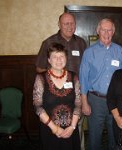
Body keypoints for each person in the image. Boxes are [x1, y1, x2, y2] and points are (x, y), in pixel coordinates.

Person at [35, 12, 87, 150]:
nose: (69, 26)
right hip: (51, 100)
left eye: (72, 23)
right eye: (66, 23)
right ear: (59, 25)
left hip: (74, 97)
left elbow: (86, 70)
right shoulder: (48, 42)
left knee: (76, 133)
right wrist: (52, 80)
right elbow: (40, 67)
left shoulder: (81, 43)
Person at [79, 18, 122, 150]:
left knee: (114, 134)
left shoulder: (120, 51)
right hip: (95, 100)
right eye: (103, 30)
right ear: (98, 31)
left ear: (113, 32)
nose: (106, 33)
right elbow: (83, 78)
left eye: (109, 30)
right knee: (94, 135)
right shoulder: (89, 52)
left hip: (115, 100)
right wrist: (84, 102)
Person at [33, 43, 81, 150]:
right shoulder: (40, 78)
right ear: (49, 60)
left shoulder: (74, 77)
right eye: (55, 56)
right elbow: (37, 107)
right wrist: (54, 128)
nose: (59, 60)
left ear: (66, 58)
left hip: (70, 129)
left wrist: (72, 127)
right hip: (49, 128)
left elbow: (78, 104)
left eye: (62, 56)